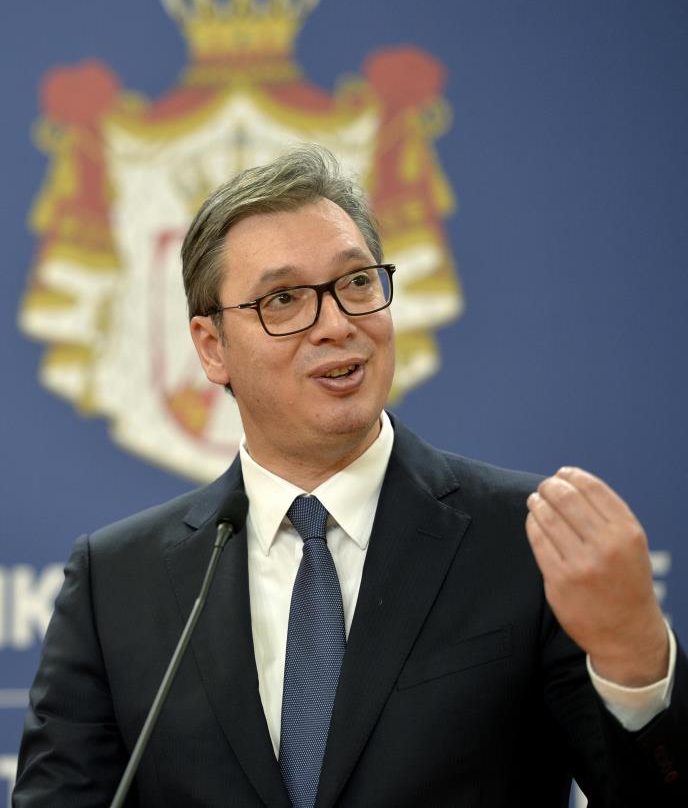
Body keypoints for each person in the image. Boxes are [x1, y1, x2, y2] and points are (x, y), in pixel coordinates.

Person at [14, 146, 686, 807]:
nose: (336, 324)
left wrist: (637, 664)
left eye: (357, 282)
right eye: (283, 299)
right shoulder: (116, 585)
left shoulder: (527, 539)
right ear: (213, 347)